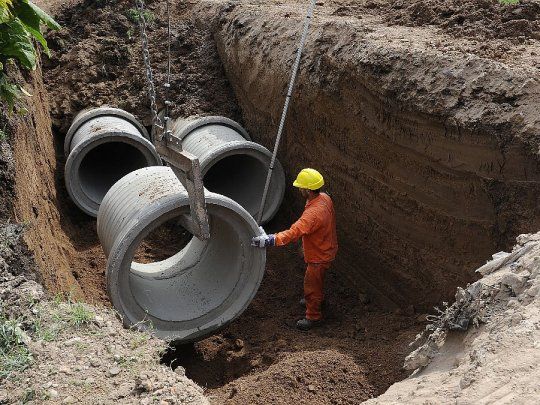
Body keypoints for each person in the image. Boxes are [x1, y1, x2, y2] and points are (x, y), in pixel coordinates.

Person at [252, 168, 338, 330]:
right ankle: (317, 298)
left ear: (307, 190)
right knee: (316, 281)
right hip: (327, 247)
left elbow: (293, 233)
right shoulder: (324, 198)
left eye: (300, 187)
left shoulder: (312, 214)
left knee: (311, 286)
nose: (299, 189)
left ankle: (313, 316)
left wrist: (270, 240)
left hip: (319, 256)